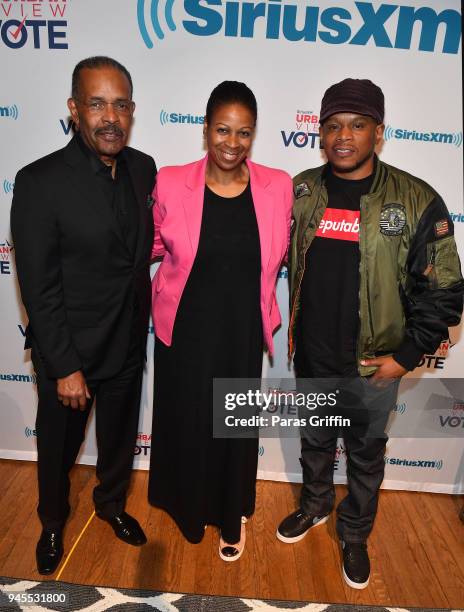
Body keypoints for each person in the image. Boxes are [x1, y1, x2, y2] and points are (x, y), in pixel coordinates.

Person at [277, 78, 463, 588]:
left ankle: (354, 533)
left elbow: (446, 290)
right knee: (314, 441)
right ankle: (314, 506)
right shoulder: (302, 190)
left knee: (365, 455)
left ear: (378, 132)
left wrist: (405, 356)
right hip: (313, 355)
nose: (344, 136)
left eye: (357, 125)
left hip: (374, 365)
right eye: (333, 126)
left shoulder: (417, 198)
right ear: (320, 132)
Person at [11, 56, 157, 575]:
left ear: (132, 110)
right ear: (75, 109)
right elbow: (38, 285)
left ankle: (112, 505)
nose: (109, 116)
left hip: (126, 345)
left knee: (118, 444)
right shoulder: (38, 182)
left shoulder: (143, 168)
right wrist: (65, 364)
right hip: (70, 355)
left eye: (120, 104)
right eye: (97, 104)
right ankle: (52, 521)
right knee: (57, 452)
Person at [148, 81, 293, 561]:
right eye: (223, 130)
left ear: (254, 135)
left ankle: (232, 514)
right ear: (206, 129)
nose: (233, 143)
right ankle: (189, 508)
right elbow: (148, 245)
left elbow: (284, 255)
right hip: (184, 327)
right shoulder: (170, 181)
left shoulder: (278, 186)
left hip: (240, 329)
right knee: (188, 419)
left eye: (244, 133)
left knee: (232, 423)